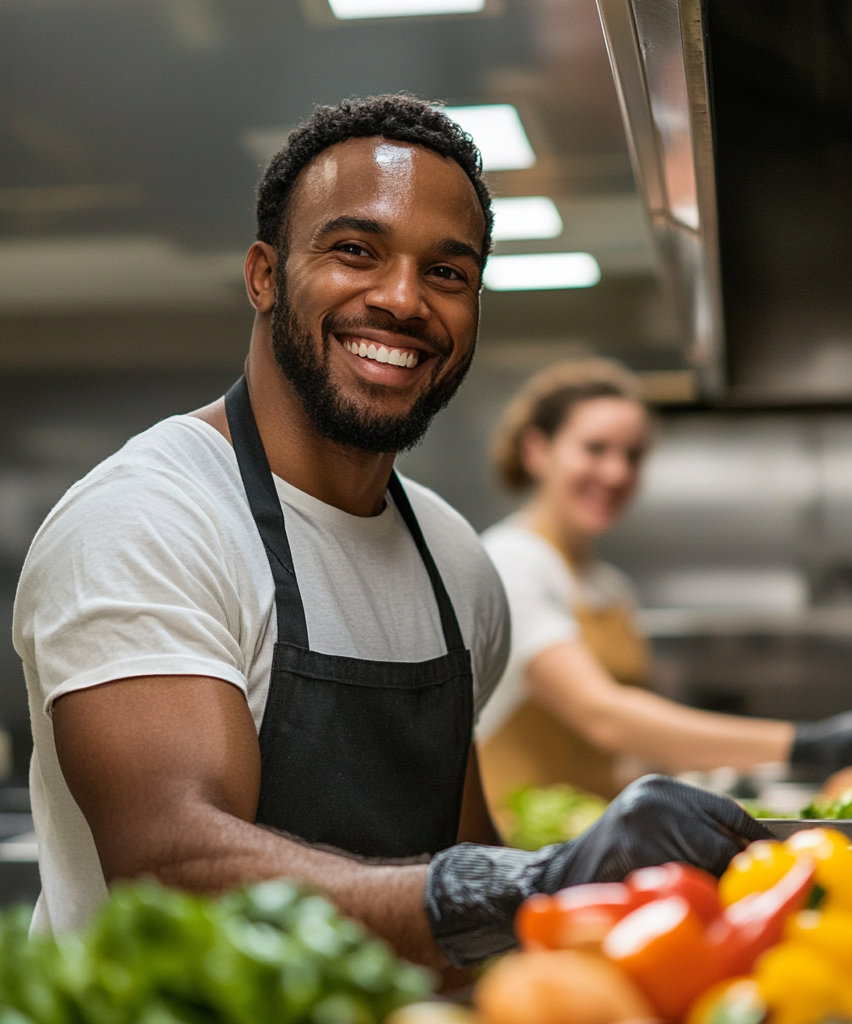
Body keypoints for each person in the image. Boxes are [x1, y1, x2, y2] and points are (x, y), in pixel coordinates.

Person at [13, 96, 770, 973]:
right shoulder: (148, 519)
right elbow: (175, 864)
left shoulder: (457, 566)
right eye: (355, 251)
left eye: (447, 273)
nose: (404, 301)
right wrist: (532, 883)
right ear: (264, 275)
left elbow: (464, 873)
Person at [478, 359, 852, 809]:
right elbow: (603, 715)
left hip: (583, 842)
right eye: (595, 449)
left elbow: (631, 749)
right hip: (510, 852)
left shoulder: (610, 589)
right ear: (538, 451)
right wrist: (807, 745)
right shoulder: (512, 561)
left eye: (632, 455)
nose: (617, 473)